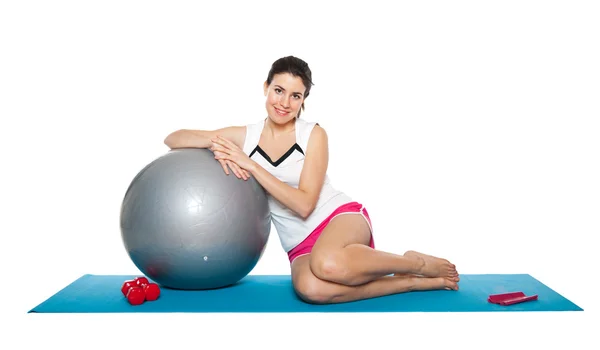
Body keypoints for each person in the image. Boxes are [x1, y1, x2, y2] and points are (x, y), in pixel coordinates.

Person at [163, 56, 460, 304]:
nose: (284, 102)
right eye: (278, 90)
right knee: (312, 290)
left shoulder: (313, 134)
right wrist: (219, 149)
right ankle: (408, 283)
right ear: (266, 87)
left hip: (337, 219)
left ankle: (414, 263)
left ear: (304, 99)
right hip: (300, 243)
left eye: (295, 95)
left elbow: (304, 204)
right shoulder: (247, 136)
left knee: (327, 263)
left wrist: (250, 165)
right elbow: (174, 138)